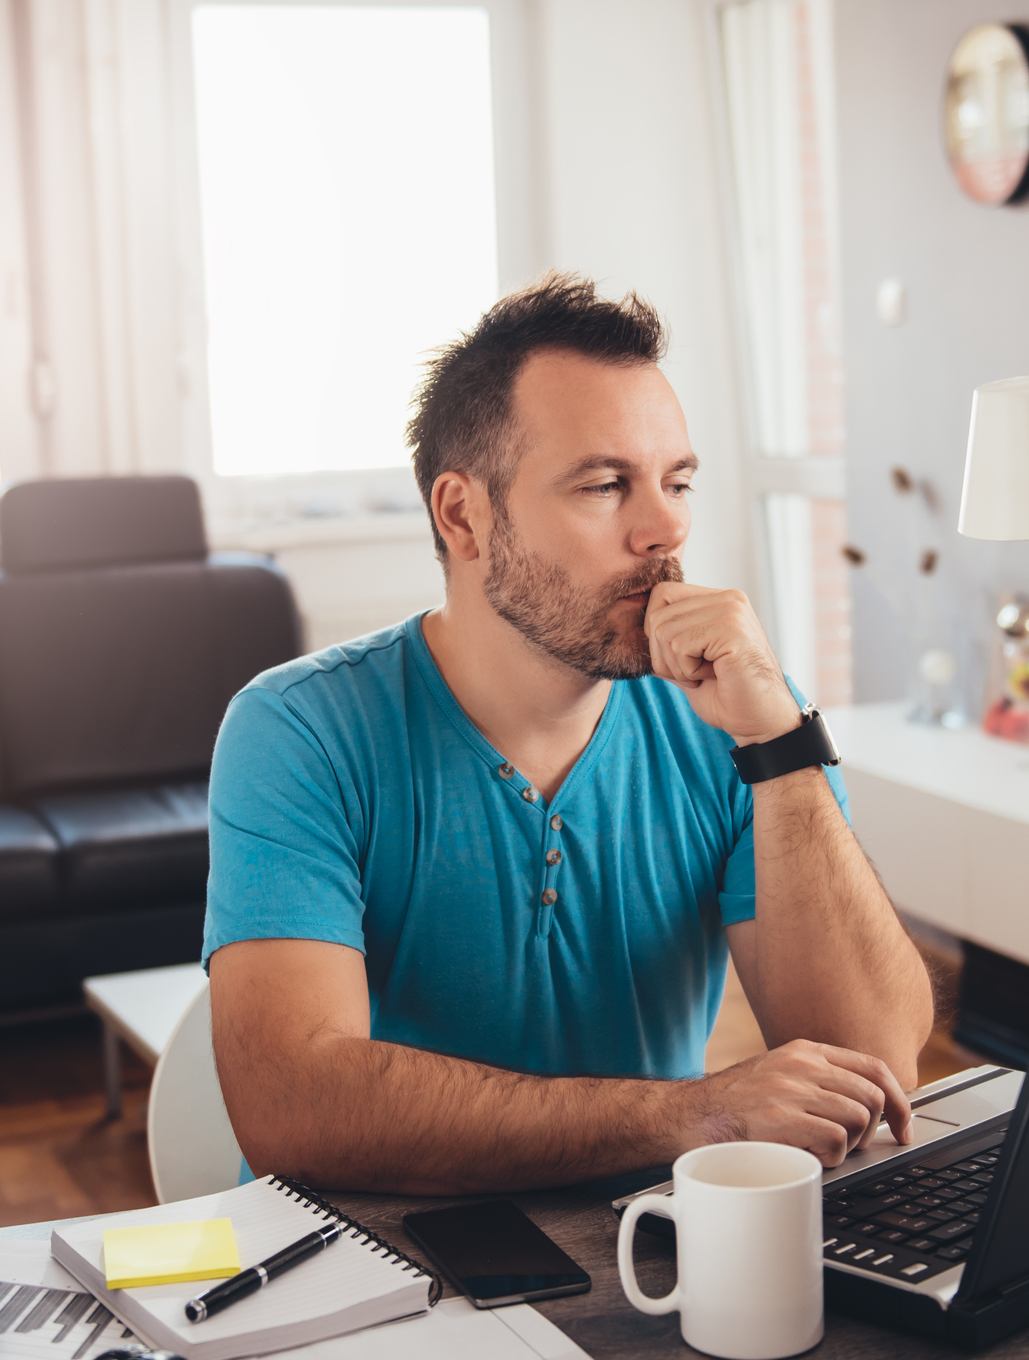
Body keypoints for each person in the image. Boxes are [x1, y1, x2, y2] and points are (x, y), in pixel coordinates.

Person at [204, 274, 934, 1194]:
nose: (666, 527)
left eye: (676, 482)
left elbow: (870, 1066)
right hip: (369, 1272)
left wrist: (780, 746)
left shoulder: (740, 720)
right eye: (603, 485)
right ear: (462, 515)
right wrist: (695, 1112)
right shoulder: (299, 730)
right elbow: (293, 1106)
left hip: (638, 1253)